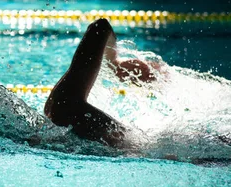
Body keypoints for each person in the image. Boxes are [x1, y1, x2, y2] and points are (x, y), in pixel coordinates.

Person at [43, 18, 156, 148]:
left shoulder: (63, 107)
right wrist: (113, 63)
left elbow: (100, 27)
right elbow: (100, 27)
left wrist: (113, 64)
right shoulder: (60, 107)